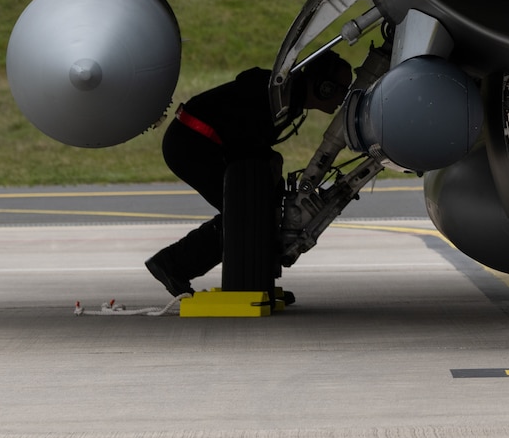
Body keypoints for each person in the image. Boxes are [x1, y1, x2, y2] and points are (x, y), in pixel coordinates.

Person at [145, 48, 353, 298]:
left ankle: (257, 281)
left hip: (200, 143)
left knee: (258, 210)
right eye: (341, 89)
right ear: (324, 87)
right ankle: (172, 264)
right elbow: (243, 140)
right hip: (191, 144)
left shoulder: (289, 97)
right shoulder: (279, 96)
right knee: (244, 215)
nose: (343, 97)